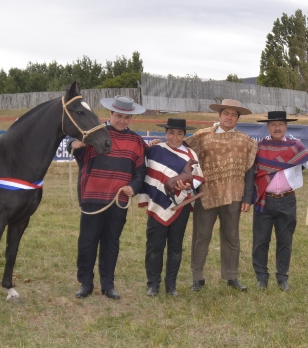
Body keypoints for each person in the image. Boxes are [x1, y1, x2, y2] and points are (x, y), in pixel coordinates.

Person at [70, 95, 147, 300]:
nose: (122, 120)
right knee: (87, 241)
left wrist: (133, 186)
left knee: (111, 242)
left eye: (127, 117)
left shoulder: (137, 142)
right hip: (93, 197)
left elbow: (140, 172)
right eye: (119, 116)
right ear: (110, 114)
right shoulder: (95, 135)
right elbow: (81, 157)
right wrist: (76, 146)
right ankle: (85, 283)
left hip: (118, 201)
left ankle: (108, 284)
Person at [253, 111, 308, 291]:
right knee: (260, 240)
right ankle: (261, 278)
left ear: (286, 126)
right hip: (264, 200)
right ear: (267, 127)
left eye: (280, 124)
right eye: (273, 125)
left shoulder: (295, 146)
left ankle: (282, 278)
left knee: (285, 240)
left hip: (287, 201)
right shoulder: (259, 147)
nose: (277, 128)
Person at [184, 99, 258, 292]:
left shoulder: (246, 141)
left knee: (231, 237)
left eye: (234, 115)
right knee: (201, 236)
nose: (229, 117)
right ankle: (197, 277)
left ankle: (231, 276)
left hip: (233, 196)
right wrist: (160, 145)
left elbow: (249, 171)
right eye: (226, 113)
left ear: (237, 119)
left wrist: (247, 198)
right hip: (206, 195)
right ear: (219, 115)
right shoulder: (202, 137)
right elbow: (181, 153)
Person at [138, 118, 205, 297]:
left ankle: (171, 285)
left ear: (185, 135)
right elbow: (143, 168)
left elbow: (198, 178)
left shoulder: (190, 155)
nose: (175, 137)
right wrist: (148, 146)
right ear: (166, 133)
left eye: (179, 133)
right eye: (171, 133)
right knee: (154, 246)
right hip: (157, 203)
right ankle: (153, 284)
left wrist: (188, 186)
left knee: (175, 247)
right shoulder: (155, 150)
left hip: (180, 206)